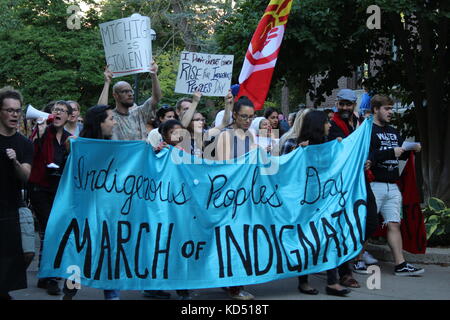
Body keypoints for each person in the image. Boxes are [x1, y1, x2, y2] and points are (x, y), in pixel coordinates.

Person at [61, 104, 121, 300]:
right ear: (99, 122)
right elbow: (70, 143)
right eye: (111, 118)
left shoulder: (116, 147)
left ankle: (112, 296)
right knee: (80, 250)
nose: (114, 122)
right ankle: (69, 292)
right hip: (83, 211)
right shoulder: (78, 143)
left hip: (109, 211)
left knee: (110, 251)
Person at [294, 110, 351, 296]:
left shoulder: (329, 145)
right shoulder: (298, 147)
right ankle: (303, 281)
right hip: (306, 205)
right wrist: (300, 152)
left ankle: (332, 282)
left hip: (327, 202)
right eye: (326, 122)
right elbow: (287, 171)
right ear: (318, 125)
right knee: (307, 241)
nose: (330, 125)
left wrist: (340, 149)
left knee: (331, 237)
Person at [368, 94, 424, 276]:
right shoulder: (367, 130)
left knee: (394, 224)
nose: (391, 112)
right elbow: (368, 157)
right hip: (374, 184)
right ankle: (356, 260)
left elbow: (401, 154)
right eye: (387, 108)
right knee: (367, 225)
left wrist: (411, 150)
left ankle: (400, 264)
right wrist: (391, 151)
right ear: (376, 109)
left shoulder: (393, 131)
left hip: (392, 185)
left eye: (391, 108)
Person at [29, 100, 73, 295]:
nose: (59, 112)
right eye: (56, 109)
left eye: (63, 111)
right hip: (39, 188)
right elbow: (30, 152)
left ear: (68, 117)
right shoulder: (41, 132)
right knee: (51, 229)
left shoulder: (69, 138)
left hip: (58, 190)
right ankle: (52, 277)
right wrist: (37, 133)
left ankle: (45, 275)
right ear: (51, 113)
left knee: (51, 231)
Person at [216, 96, 256, 300]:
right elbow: (224, 167)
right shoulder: (225, 136)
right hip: (230, 197)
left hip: (246, 195)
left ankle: (230, 281)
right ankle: (234, 286)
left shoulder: (251, 135)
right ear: (234, 115)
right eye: (244, 116)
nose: (248, 120)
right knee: (234, 240)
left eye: (251, 117)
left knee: (241, 239)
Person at [0, 87, 33, 300]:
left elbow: (26, 176)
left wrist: (15, 162)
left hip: (14, 206)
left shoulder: (24, 143)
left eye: (17, 111)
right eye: (9, 110)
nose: (14, 114)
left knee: (25, 253)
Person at [97, 62, 161, 141]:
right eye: (125, 91)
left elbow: (156, 98)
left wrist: (154, 75)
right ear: (115, 95)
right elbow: (100, 110)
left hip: (139, 153)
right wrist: (107, 82)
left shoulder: (139, 113)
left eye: (131, 91)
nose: (130, 94)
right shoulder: (112, 118)